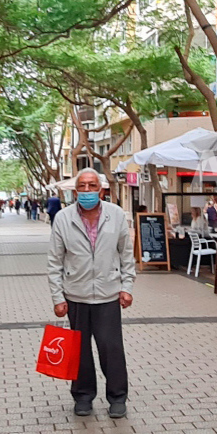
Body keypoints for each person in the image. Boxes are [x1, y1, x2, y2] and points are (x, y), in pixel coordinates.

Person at [48, 168, 136, 419]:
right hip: (75, 295)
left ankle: (118, 397)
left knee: (111, 348)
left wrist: (126, 287)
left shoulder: (116, 215)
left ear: (102, 190)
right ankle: (83, 396)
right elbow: (54, 261)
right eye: (82, 186)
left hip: (108, 294)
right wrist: (58, 297)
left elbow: (126, 255)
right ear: (76, 191)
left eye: (92, 186)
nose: (87, 191)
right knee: (80, 350)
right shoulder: (63, 218)